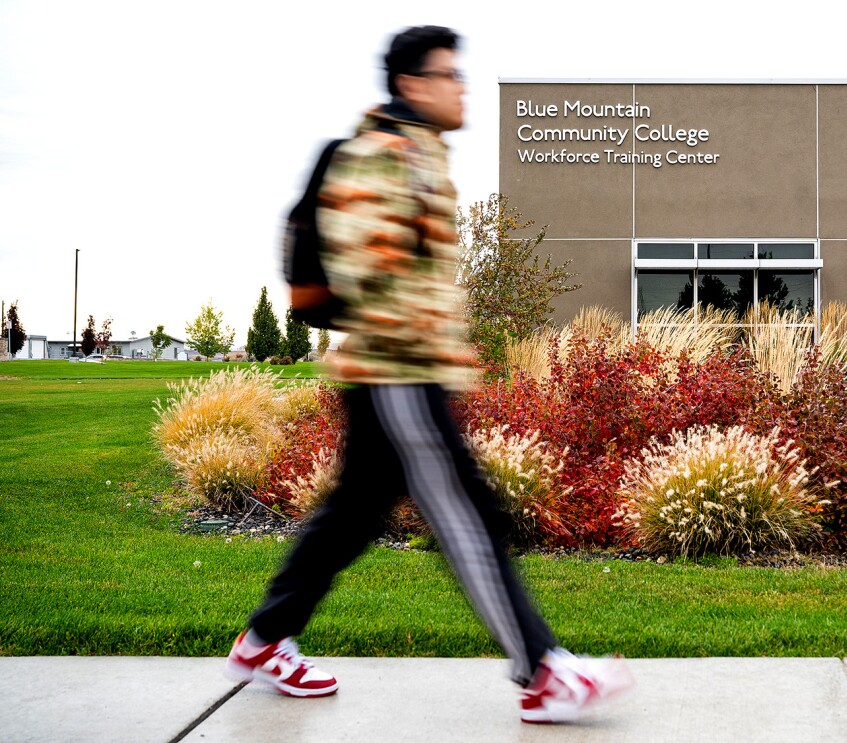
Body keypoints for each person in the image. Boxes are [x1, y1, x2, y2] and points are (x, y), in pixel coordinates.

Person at [224, 25, 631, 724]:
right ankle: (542, 671)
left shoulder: (420, 155)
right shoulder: (384, 155)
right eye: (449, 74)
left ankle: (263, 639)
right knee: (466, 511)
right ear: (413, 83)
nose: (461, 85)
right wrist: (425, 359)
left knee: (353, 514)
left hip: (402, 369)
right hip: (398, 371)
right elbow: (364, 266)